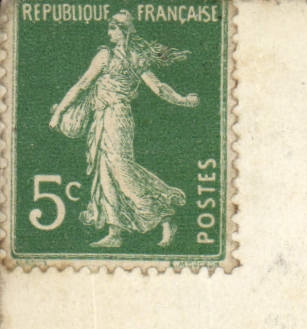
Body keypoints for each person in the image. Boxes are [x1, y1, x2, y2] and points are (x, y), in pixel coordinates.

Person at [48, 10, 198, 248]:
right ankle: (115, 231)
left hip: (117, 117)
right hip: (101, 117)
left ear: (124, 31)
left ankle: (164, 215)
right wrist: (59, 112)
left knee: (122, 170)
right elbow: (83, 85)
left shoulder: (128, 57)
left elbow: (157, 87)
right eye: (109, 28)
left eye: (113, 28)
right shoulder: (109, 55)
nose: (109, 32)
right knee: (104, 172)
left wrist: (182, 100)